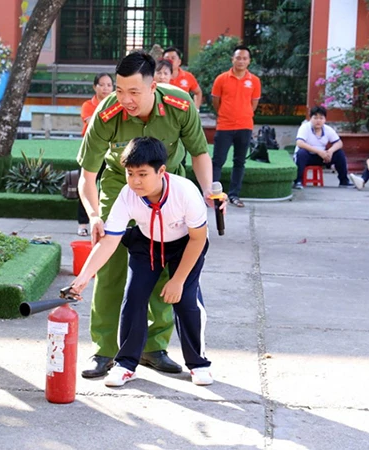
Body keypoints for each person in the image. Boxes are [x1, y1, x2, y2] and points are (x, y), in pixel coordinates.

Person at [77, 51, 221, 379]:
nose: (125, 99)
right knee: (110, 263)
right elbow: (88, 175)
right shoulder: (107, 113)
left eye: (134, 92)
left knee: (162, 260)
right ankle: (105, 350)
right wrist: (94, 215)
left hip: (166, 183)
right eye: (119, 90)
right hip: (120, 182)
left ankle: (153, 347)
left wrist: (207, 191)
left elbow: (199, 152)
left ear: (153, 85)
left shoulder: (180, 104)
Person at [71, 137, 213, 387]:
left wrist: (178, 280)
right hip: (146, 244)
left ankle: (198, 364)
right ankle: (125, 364)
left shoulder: (185, 192)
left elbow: (198, 240)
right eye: (130, 173)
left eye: (143, 174)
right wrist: (83, 277)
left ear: (161, 171)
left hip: (185, 246)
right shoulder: (128, 195)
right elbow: (109, 241)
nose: (135, 181)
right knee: (133, 297)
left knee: (186, 302)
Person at [211, 45, 262, 206]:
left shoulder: (254, 81)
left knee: (239, 161)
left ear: (249, 61)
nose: (241, 61)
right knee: (218, 161)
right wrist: (226, 114)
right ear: (232, 59)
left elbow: (253, 104)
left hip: (245, 126)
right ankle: (212, 195)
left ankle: (234, 195)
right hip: (224, 126)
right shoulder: (221, 79)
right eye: (238, 57)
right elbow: (216, 102)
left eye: (244, 58)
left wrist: (243, 114)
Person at [77, 73, 114, 236]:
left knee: (109, 187)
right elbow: (92, 122)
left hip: (111, 152)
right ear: (95, 87)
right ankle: (83, 223)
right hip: (92, 152)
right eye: (102, 84)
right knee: (85, 185)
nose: (106, 88)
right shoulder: (87, 105)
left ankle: (107, 222)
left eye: (109, 85)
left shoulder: (116, 104)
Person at [292, 106, 351, 189]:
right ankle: (298, 181)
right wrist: (319, 152)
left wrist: (330, 151)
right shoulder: (305, 127)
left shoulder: (328, 129)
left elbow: (339, 143)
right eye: (315, 118)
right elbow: (300, 143)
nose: (318, 121)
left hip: (322, 157)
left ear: (325, 120)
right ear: (310, 118)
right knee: (302, 153)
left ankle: (344, 181)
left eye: (321, 118)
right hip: (307, 157)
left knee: (339, 153)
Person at [162, 47, 202, 111]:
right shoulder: (157, 77)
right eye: (167, 58)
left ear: (179, 62)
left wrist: (196, 110)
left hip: (183, 114)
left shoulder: (188, 76)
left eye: (173, 58)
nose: (170, 61)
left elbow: (198, 92)